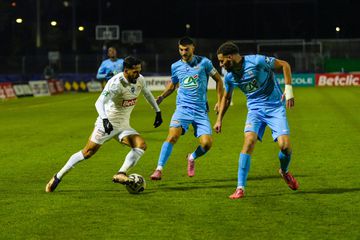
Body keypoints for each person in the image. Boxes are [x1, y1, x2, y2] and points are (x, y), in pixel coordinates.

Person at [46, 56, 163, 192]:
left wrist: (158, 111)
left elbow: (148, 94)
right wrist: (105, 120)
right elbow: (99, 102)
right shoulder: (115, 84)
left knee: (141, 145)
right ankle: (58, 176)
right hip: (107, 124)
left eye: (139, 70)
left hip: (123, 125)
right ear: (126, 70)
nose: (138, 74)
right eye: (135, 71)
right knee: (87, 152)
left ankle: (121, 173)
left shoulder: (139, 79)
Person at [214, 41, 299, 199]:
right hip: (255, 110)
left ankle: (284, 171)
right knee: (249, 141)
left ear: (230, 57)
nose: (220, 64)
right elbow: (226, 98)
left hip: (275, 107)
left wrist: (289, 90)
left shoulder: (256, 61)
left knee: (285, 147)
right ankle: (240, 188)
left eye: (221, 60)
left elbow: (284, 65)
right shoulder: (230, 77)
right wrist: (219, 119)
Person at [150, 36, 224, 180]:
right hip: (183, 108)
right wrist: (162, 96)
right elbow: (173, 85)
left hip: (200, 110)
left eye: (186, 49)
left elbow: (219, 80)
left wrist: (219, 101)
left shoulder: (204, 62)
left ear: (193, 48)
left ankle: (191, 157)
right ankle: (159, 169)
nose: (183, 52)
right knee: (172, 136)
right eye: (181, 49)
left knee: (207, 144)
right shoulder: (175, 66)